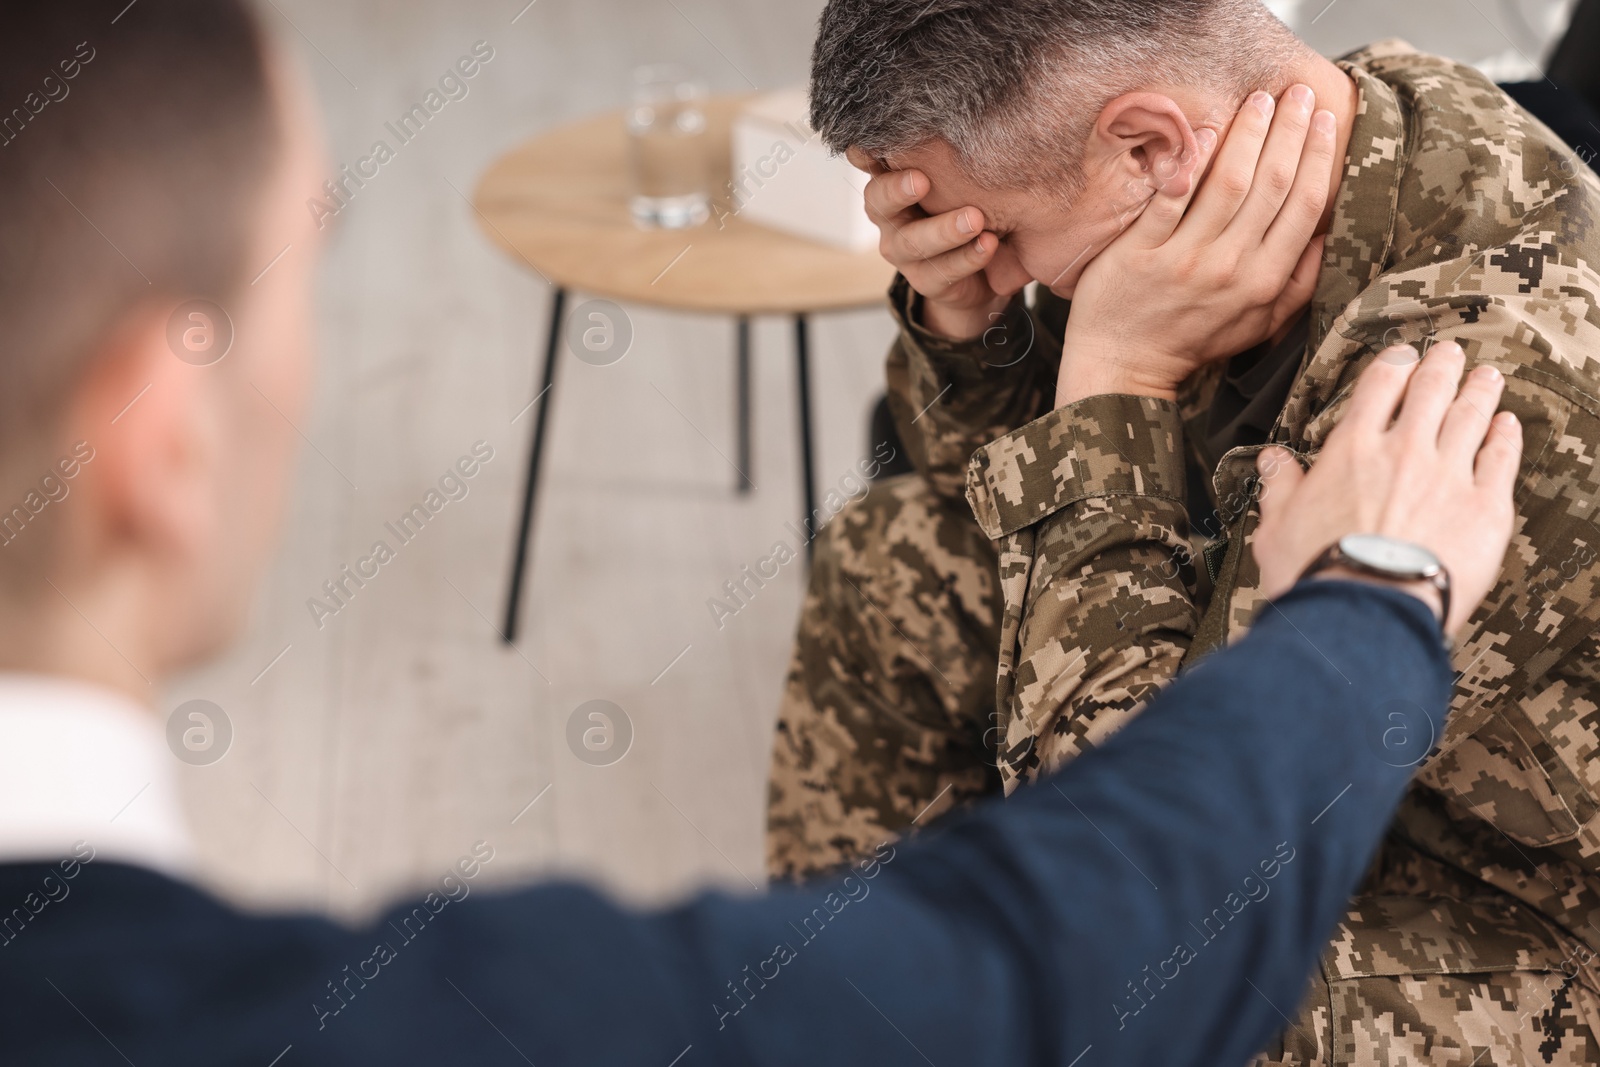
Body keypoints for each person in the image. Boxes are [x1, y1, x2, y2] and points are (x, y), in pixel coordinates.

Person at [0, 1, 1529, 1064]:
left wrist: (987, 339)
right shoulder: (437, 1015)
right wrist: (1369, 597)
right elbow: (1058, 980)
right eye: (302, 265)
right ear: (162, 430)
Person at [768, 0, 1600, 1060]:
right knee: (887, 561)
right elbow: (963, 498)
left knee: (1129, 994)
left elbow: (1137, 867)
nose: (1011, 265)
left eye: (1005, 234)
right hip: (1325, 734)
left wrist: (1114, 370)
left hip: (1508, 896)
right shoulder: (1250, 156)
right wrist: (972, 325)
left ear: (1145, 143)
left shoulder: (1498, 379)